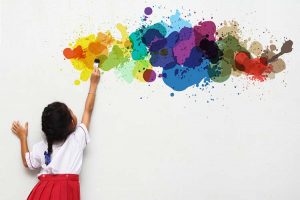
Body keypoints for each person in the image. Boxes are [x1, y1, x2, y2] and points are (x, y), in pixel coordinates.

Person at [11, 67, 100, 199]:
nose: (73, 112)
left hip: (42, 192)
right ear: (71, 124)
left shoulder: (41, 146)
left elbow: (27, 162)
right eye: (71, 113)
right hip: (65, 193)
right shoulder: (77, 139)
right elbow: (88, 110)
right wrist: (93, 85)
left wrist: (23, 137)